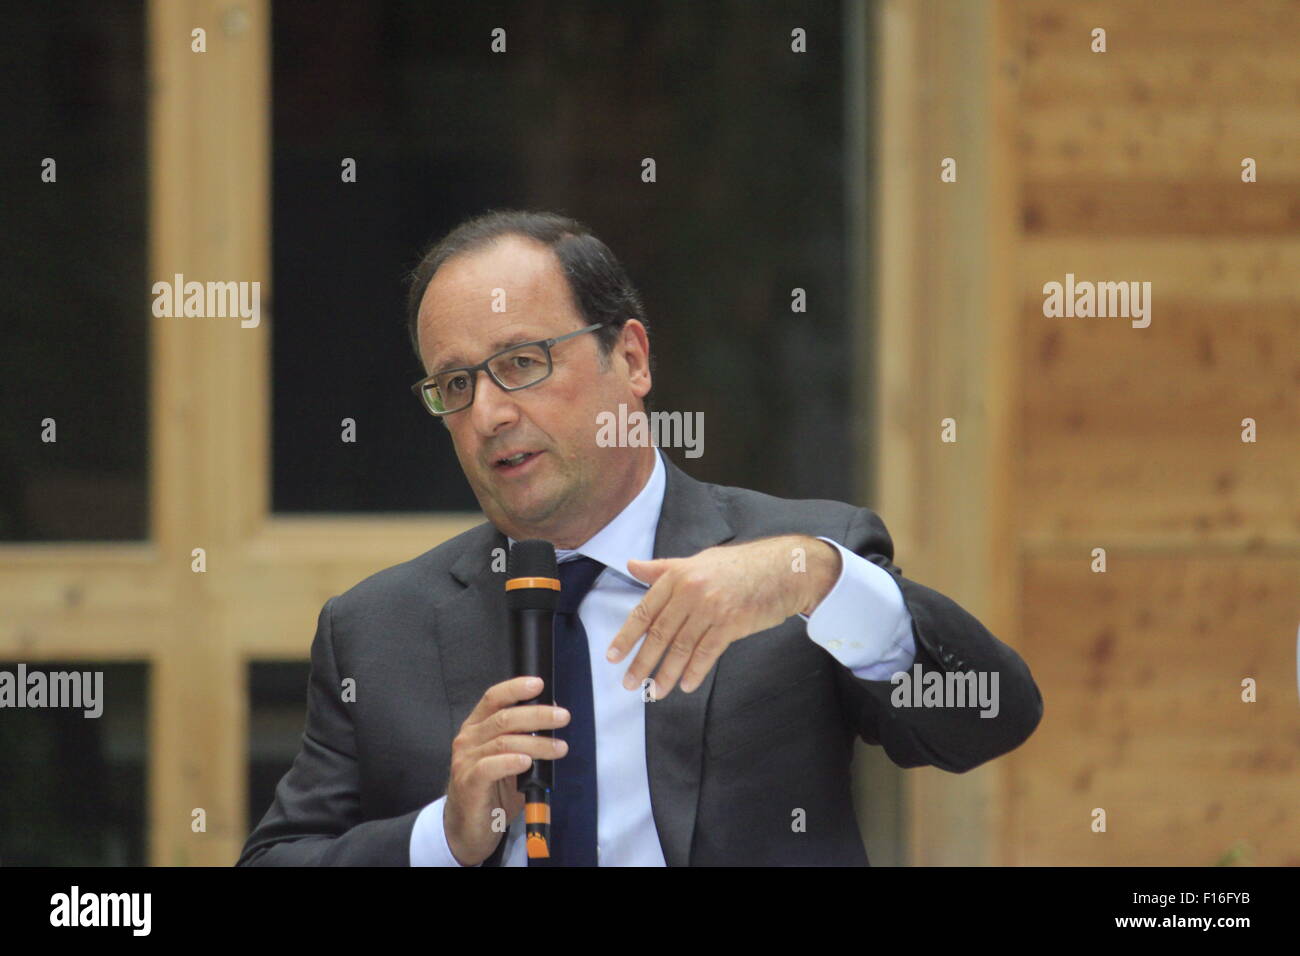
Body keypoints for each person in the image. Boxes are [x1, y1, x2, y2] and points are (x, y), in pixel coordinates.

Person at [236, 209, 1042, 867]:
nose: (488, 415)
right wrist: (440, 837)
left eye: (519, 363)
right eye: (455, 385)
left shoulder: (796, 561)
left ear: (630, 357)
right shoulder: (377, 631)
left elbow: (991, 717)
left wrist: (817, 580)